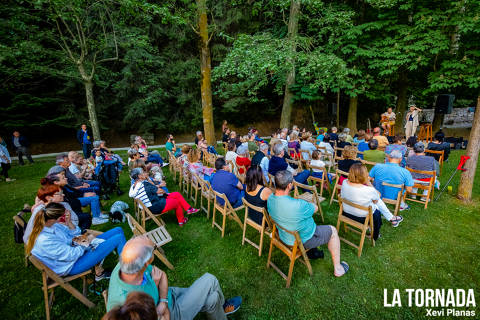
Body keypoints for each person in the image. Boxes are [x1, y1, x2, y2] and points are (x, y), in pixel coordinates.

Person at [106, 236, 242, 318]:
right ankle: (223, 306)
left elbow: (162, 276)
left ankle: (220, 311)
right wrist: (161, 308)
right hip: (173, 314)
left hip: (168, 296)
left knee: (212, 299)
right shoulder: (127, 304)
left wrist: (163, 300)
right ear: (146, 261)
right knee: (210, 279)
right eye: (154, 249)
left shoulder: (128, 264)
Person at [267, 170, 349, 276]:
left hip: (283, 236)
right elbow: (315, 208)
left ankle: (314, 253)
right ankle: (338, 269)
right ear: (289, 185)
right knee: (333, 231)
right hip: (301, 239)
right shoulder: (298, 205)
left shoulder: (270, 199)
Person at [26, 202, 126, 280]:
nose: (62, 217)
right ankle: (128, 272)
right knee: (118, 238)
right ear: (52, 218)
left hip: (76, 252)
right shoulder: (45, 240)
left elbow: (72, 236)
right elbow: (71, 255)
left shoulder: (52, 225)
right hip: (72, 265)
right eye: (61, 216)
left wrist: (69, 223)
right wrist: (86, 242)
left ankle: (126, 262)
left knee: (118, 230)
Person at [341, 163, 403, 240]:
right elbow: (378, 195)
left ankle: (392, 218)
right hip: (363, 218)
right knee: (377, 206)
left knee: (375, 203)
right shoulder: (368, 190)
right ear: (364, 175)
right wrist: (369, 183)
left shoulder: (344, 182)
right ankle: (376, 232)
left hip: (346, 213)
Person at [24, 182, 92, 242]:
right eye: (60, 194)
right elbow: (33, 232)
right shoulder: (41, 211)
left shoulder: (65, 205)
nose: (63, 195)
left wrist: (68, 223)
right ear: (49, 197)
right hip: (54, 241)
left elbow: (75, 221)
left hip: (69, 234)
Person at [129, 168, 198, 226]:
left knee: (176, 194)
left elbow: (152, 190)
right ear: (139, 176)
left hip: (153, 202)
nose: (145, 173)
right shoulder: (144, 184)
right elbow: (160, 191)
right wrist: (163, 191)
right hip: (156, 206)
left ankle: (189, 209)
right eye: (143, 172)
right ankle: (181, 221)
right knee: (176, 202)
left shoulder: (134, 186)